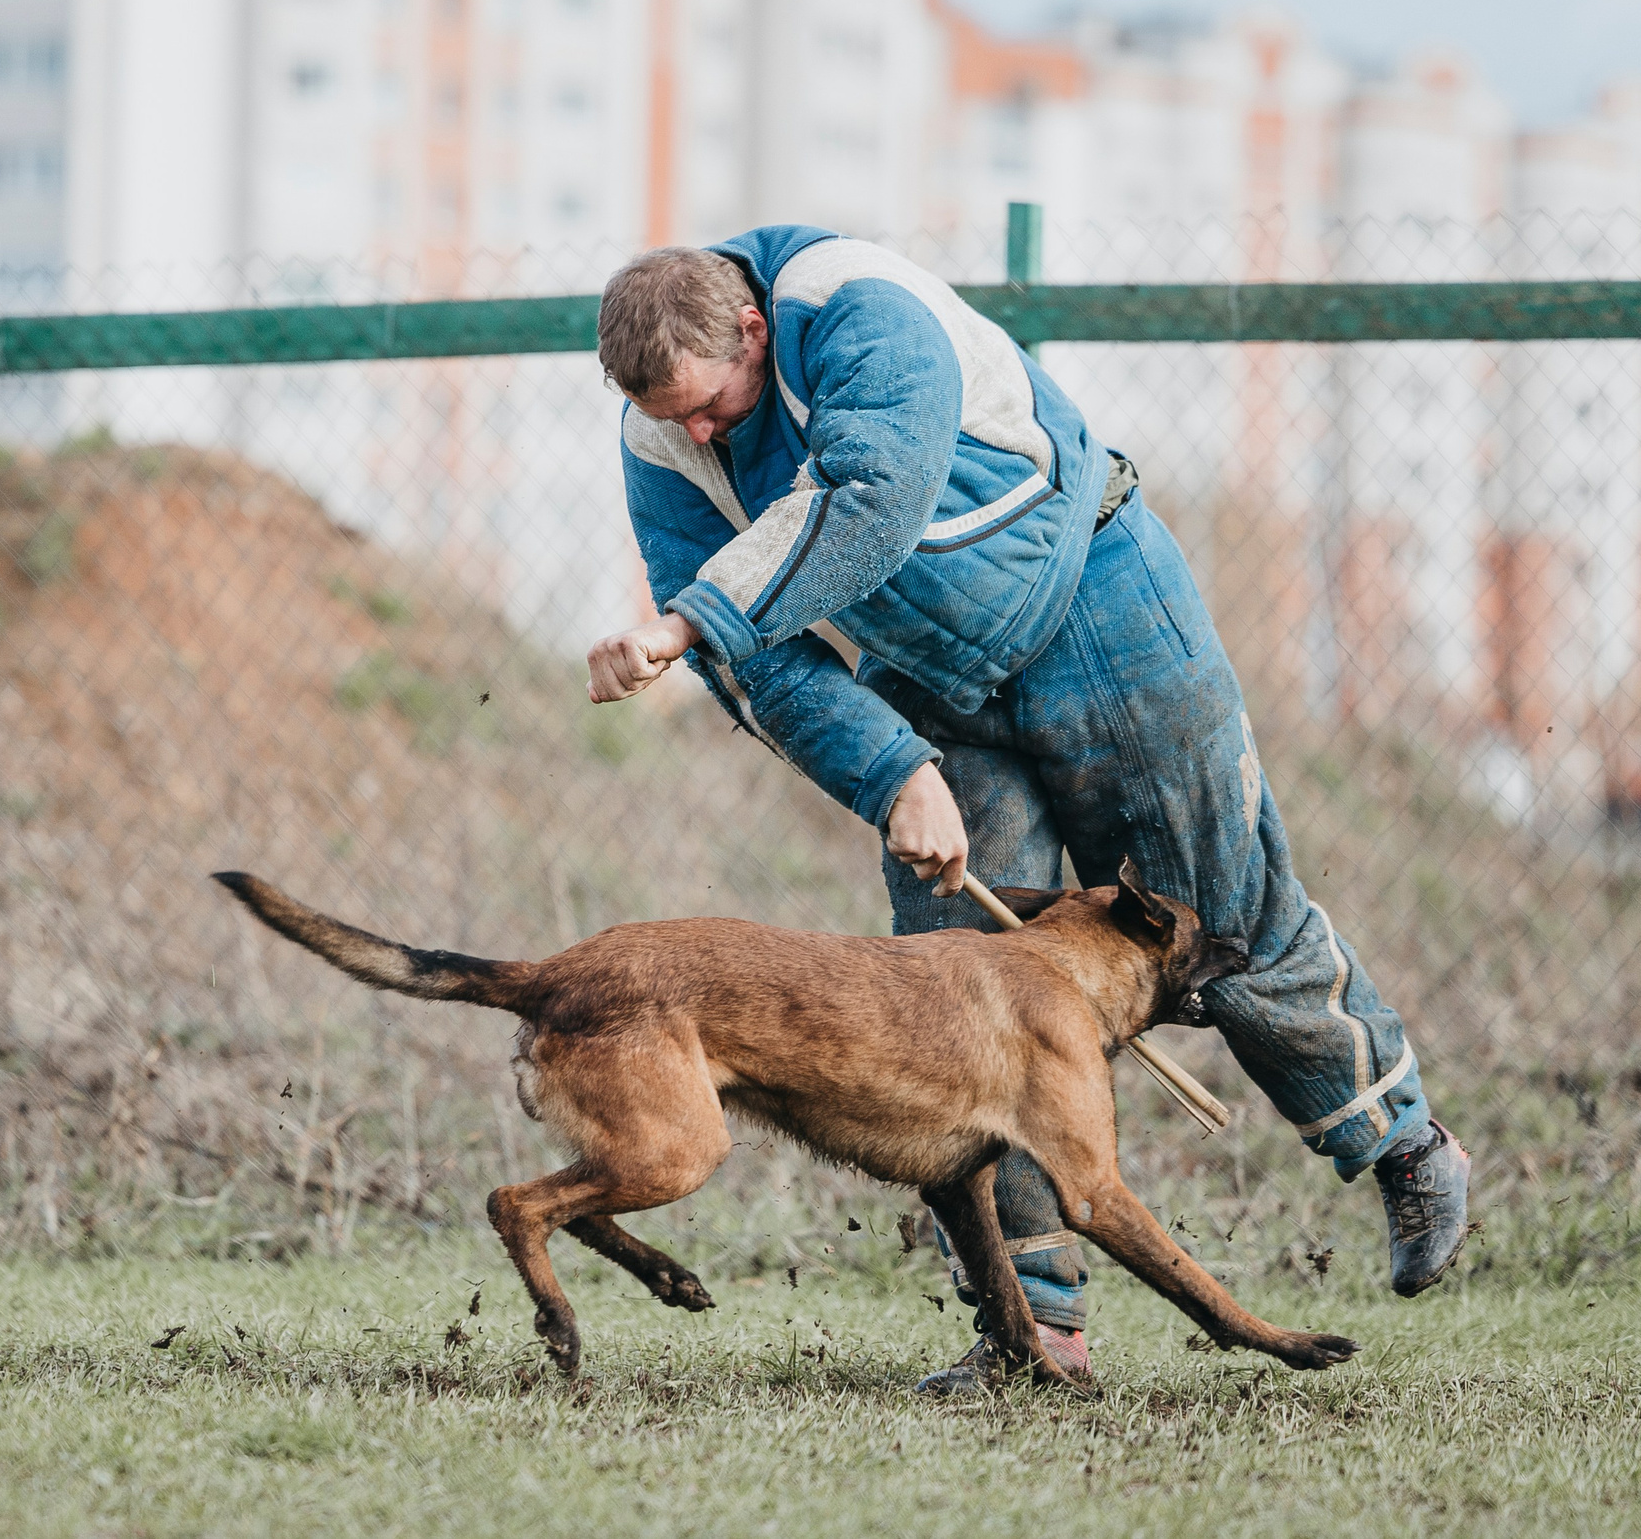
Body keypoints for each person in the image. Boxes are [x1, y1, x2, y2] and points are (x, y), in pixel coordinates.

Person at [585, 226, 1469, 1393]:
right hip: (928, 688)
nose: (696, 434)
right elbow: (763, 668)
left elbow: (873, 501)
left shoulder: (857, 306)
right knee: (954, 1004)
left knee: (1215, 910)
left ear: (751, 332)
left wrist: (691, 617)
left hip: (1093, 593)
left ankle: (1397, 1138)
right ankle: (1029, 1327)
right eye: (670, 416)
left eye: (710, 405)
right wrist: (893, 770)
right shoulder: (663, 442)